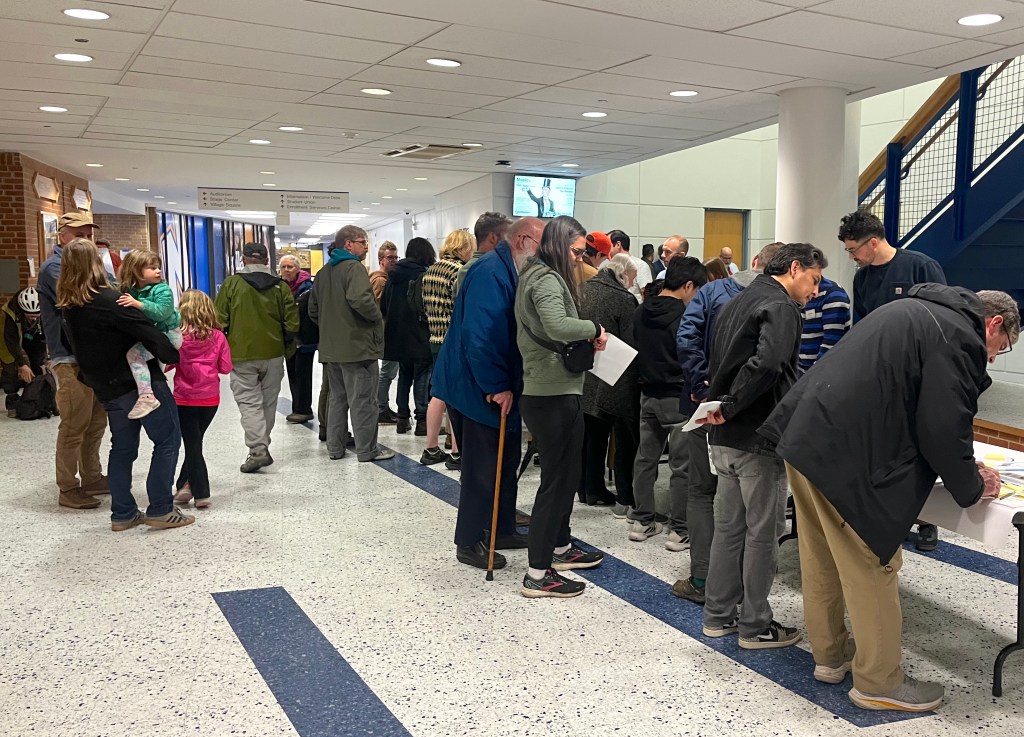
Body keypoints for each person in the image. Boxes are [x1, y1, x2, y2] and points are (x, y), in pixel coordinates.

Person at [760, 288, 1017, 712]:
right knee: (872, 564)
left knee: (821, 555)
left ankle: (830, 656)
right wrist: (971, 486)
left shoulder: (911, 310)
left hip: (805, 439)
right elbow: (941, 424)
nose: (991, 358)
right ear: (993, 323)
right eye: (1000, 348)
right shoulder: (958, 335)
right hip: (847, 457)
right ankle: (879, 683)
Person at [698, 243, 826, 649]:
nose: (815, 291)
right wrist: (735, 404)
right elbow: (769, 365)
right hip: (757, 433)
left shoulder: (736, 299)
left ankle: (717, 616)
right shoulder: (782, 306)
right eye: (814, 279)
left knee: (729, 530)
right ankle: (754, 624)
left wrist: (725, 406)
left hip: (723, 434)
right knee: (762, 534)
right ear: (794, 268)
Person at [672, 241, 783, 604]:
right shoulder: (779, 303)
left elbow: (686, 336)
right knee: (758, 516)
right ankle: (746, 594)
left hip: (706, 407)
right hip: (755, 419)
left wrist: (703, 383)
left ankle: (705, 580)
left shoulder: (713, 292)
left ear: (752, 262)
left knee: (704, 492)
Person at [56, 238, 192, 531]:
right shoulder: (111, 301)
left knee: (122, 448)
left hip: (107, 388)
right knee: (167, 441)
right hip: (139, 384)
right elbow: (149, 333)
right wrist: (171, 353)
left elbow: (70, 344)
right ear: (96, 263)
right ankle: (160, 508)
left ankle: (123, 513)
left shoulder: (70, 306)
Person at [433, 217, 545, 569]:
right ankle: (469, 542)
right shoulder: (489, 272)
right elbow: (481, 336)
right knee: (482, 468)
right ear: (524, 239)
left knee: (506, 459)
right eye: (542, 245)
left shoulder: (505, 266)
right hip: (476, 386)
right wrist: (496, 386)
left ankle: (502, 527)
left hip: (490, 381)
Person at [839, 210, 947, 552]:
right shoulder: (863, 279)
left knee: (924, 446)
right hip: (882, 379)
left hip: (920, 376)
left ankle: (930, 520)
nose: (852, 256)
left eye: (854, 249)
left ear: (873, 242)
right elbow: (865, 329)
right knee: (887, 448)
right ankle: (895, 515)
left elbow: (943, 320)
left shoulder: (921, 266)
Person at [516, 215, 608, 598]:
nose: (578, 259)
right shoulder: (547, 279)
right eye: (574, 251)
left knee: (564, 477)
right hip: (551, 392)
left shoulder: (532, 276)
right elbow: (557, 326)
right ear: (557, 245)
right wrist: (595, 330)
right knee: (555, 484)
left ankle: (559, 548)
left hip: (550, 389)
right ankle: (538, 574)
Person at [628, 257, 707, 549]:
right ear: (688, 285)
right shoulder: (687, 316)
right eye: (697, 289)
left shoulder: (639, 310)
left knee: (645, 460)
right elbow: (691, 355)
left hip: (647, 393)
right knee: (681, 466)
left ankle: (642, 521)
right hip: (678, 397)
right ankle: (680, 530)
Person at [37, 212, 109, 510]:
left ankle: (92, 476)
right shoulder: (55, 267)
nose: (86, 239)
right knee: (73, 424)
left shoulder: (89, 265)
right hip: (69, 358)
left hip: (92, 357)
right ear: (62, 235)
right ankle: (68, 487)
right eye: (79, 234)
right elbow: (89, 296)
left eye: (88, 235)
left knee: (95, 422)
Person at [309, 225, 394, 463]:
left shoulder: (324, 272)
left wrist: (330, 326)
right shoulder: (354, 268)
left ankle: (335, 449)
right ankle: (367, 450)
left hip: (331, 349)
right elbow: (360, 299)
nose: (366, 247)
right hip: (357, 347)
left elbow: (312, 310)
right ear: (348, 244)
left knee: (337, 399)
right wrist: (377, 318)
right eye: (362, 242)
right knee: (364, 401)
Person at [215, 242, 299, 473]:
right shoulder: (280, 287)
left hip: (241, 354)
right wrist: (285, 347)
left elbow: (219, 319)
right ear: (266, 260)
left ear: (243, 259)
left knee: (249, 403)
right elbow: (292, 323)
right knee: (268, 403)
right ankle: (262, 446)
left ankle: (258, 450)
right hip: (273, 354)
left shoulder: (232, 284)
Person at [580, 253, 639, 515]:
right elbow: (630, 341)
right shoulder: (624, 299)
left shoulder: (583, 290)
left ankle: (584, 487)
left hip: (582, 370)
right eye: (631, 280)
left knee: (588, 434)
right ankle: (596, 488)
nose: (631, 285)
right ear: (623, 275)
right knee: (605, 436)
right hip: (611, 374)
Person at [167, 290, 232, 509]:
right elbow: (225, 368)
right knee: (195, 442)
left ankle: (201, 492)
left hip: (183, 398)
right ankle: (185, 485)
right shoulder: (218, 336)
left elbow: (167, 364)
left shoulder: (177, 337)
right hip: (209, 399)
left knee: (192, 444)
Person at [420, 230, 474, 468]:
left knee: (438, 393)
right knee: (456, 396)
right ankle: (456, 451)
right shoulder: (458, 271)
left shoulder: (430, 271)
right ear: (463, 248)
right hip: (452, 339)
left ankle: (431, 446)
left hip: (434, 337)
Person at [115, 249, 182, 420]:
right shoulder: (131, 289)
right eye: (152, 268)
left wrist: (138, 303)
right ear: (136, 271)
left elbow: (162, 312)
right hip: (154, 335)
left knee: (135, 356)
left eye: (158, 267)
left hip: (168, 335)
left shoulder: (162, 290)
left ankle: (146, 397)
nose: (158, 271)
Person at [382, 237, 435, 436]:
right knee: (422, 375)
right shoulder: (423, 276)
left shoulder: (393, 276)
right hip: (419, 334)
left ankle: (402, 419)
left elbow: (383, 307)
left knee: (404, 376)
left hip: (397, 335)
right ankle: (422, 420)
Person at [278, 254, 315, 423]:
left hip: (305, 338)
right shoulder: (278, 287)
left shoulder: (308, 287)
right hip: (288, 338)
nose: (286, 270)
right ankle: (298, 407)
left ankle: (303, 409)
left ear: (298, 269)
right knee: (293, 373)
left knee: (302, 373)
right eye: (283, 267)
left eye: (290, 267)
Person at [1, 287, 46, 417]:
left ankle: (35, 396)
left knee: (38, 362)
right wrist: (21, 364)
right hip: (8, 337)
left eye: (36, 316)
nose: (33, 318)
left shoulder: (46, 308)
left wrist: (48, 357)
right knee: (10, 364)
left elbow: (45, 336)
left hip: (33, 334)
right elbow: (11, 342)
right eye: (30, 316)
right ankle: (12, 401)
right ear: (22, 311)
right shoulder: (9, 313)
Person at [370, 241, 401, 424]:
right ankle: (381, 408)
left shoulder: (384, 278)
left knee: (388, 371)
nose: (394, 261)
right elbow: (380, 307)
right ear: (381, 259)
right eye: (390, 258)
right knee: (387, 372)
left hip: (386, 331)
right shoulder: (381, 281)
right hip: (386, 331)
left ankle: (383, 406)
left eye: (396, 257)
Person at [798, 276, 851, 372]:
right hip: (797, 373)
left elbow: (831, 345)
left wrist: (810, 377)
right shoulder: (794, 292)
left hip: (821, 373)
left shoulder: (834, 294)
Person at [457, 213, 512, 292]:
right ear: (493, 237)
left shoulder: (465, 270)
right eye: (508, 236)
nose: (511, 242)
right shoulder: (491, 269)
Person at [607, 230, 652, 302]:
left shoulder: (640, 265)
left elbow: (647, 294)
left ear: (618, 245)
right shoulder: (609, 266)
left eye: (608, 245)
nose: (606, 249)